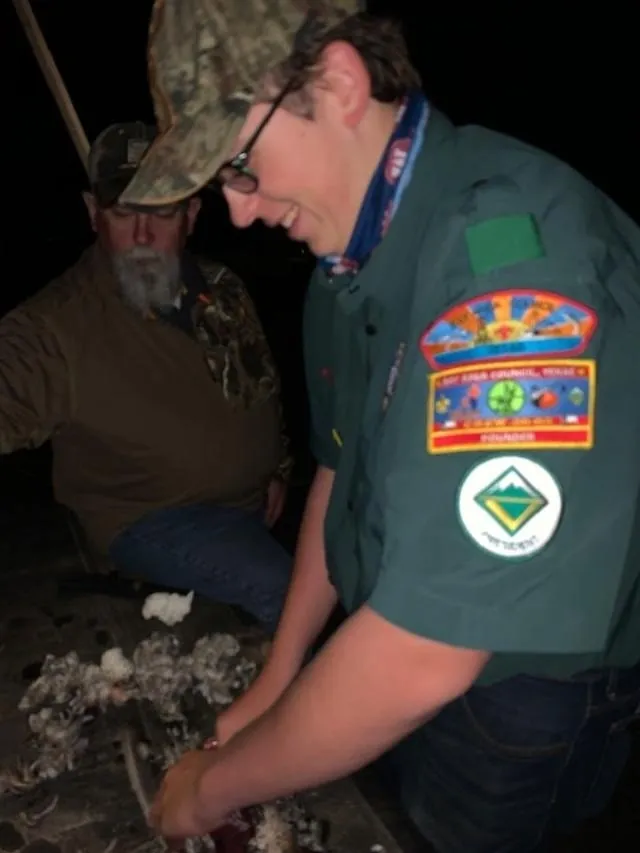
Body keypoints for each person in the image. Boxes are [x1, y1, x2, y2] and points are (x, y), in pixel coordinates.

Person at [120, 2, 640, 851]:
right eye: (222, 184)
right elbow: (339, 470)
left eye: (240, 165)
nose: (240, 214)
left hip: (516, 688)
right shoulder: (345, 262)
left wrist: (210, 788)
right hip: (386, 646)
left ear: (340, 82)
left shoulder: (510, 267)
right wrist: (279, 682)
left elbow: (428, 653)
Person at [0, 120, 294, 633]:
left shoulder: (224, 288)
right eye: (121, 212)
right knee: (292, 593)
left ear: (191, 214)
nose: (141, 234)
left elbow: (261, 383)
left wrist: (279, 466)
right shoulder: (52, 325)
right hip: (149, 519)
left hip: (249, 510)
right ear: (93, 215)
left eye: (160, 210)